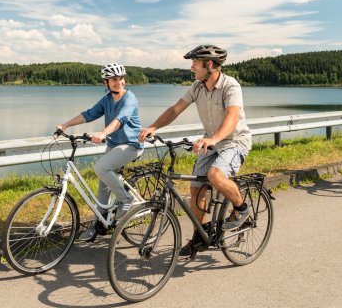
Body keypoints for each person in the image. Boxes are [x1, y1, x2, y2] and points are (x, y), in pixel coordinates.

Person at [139, 45, 252, 258]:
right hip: (212, 143)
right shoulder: (197, 87)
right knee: (195, 188)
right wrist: (154, 126)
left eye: (195, 63)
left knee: (215, 175)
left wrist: (214, 138)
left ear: (209, 64)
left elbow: (232, 116)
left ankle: (241, 207)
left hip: (234, 142)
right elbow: (176, 109)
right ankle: (200, 236)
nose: (192, 67)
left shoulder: (230, 85)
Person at [57, 62, 143, 242]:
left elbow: (120, 120)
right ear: (106, 83)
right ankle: (100, 224)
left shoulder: (130, 99)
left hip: (131, 145)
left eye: (120, 79)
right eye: (113, 79)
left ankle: (125, 199)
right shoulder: (107, 100)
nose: (118, 82)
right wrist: (66, 125)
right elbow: (89, 114)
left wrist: (103, 133)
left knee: (101, 168)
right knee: (103, 185)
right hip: (114, 145)